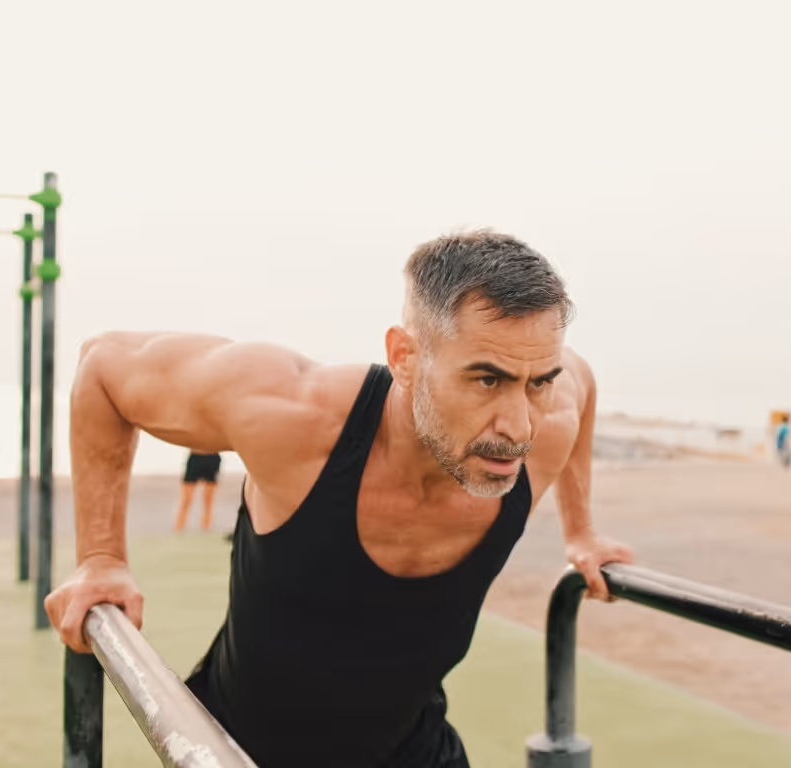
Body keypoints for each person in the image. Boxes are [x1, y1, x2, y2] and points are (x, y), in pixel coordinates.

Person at [44, 229, 633, 768]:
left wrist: (580, 531)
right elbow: (103, 368)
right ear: (405, 357)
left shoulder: (546, 419)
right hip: (239, 747)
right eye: (486, 380)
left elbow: (577, 385)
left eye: (537, 382)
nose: (517, 425)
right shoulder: (296, 417)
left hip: (413, 749)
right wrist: (102, 557)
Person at [175, 451, 221, 532]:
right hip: (195, 456)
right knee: (186, 499)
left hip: (212, 457)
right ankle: (178, 529)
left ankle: (206, 530)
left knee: (208, 500)